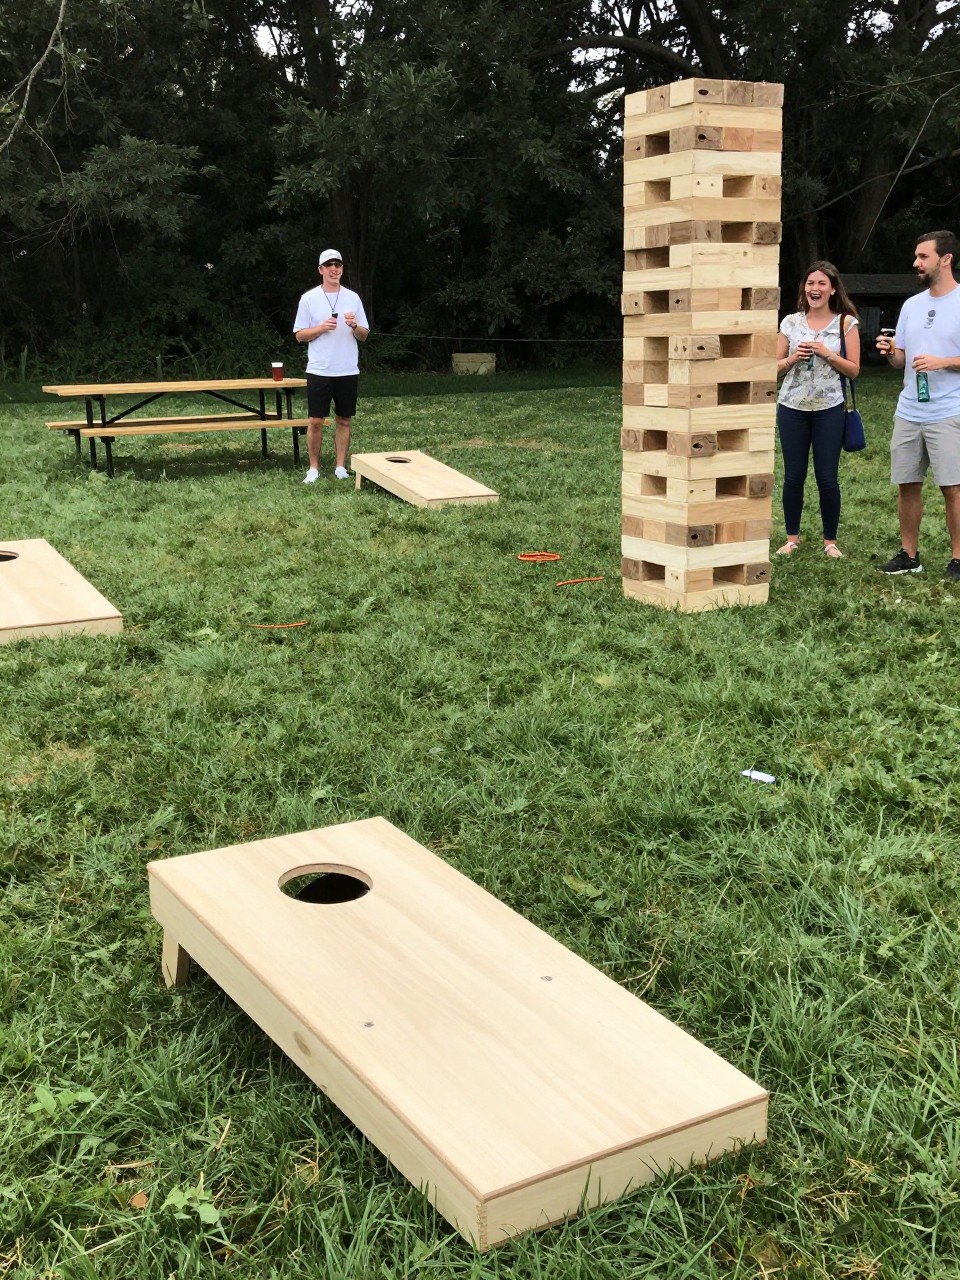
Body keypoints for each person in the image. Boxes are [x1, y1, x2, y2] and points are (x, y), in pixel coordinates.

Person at [876, 229, 960, 581]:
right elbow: (903, 361)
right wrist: (891, 353)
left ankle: (958, 559)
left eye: (923, 256)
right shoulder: (911, 305)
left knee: (952, 487)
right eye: (916, 256)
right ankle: (909, 555)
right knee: (907, 483)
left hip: (949, 410)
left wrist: (944, 362)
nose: (916, 263)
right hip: (909, 410)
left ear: (946, 259)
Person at [775, 261, 861, 558]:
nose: (815, 288)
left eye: (822, 283)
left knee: (827, 477)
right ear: (804, 288)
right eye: (810, 283)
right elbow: (773, 369)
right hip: (792, 408)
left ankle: (830, 542)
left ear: (833, 288)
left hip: (829, 409)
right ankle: (791, 539)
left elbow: (853, 371)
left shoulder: (845, 323)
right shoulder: (790, 323)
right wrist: (792, 359)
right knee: (793, 476)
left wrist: (827, 354)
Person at [293, 248, 370, 483]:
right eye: (329, 265)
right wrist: (320, 328)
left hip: (347, 369)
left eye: (338, 265)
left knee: (344, 420)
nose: (334, 269)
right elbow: (299, 335)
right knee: (315, 421)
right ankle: (313, 468)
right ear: (321, 270)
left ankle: (340, 467)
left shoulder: (353, 298)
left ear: (342, 269)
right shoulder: (309, 298)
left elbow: (364, 335)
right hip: (319, 369)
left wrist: (355, 325)